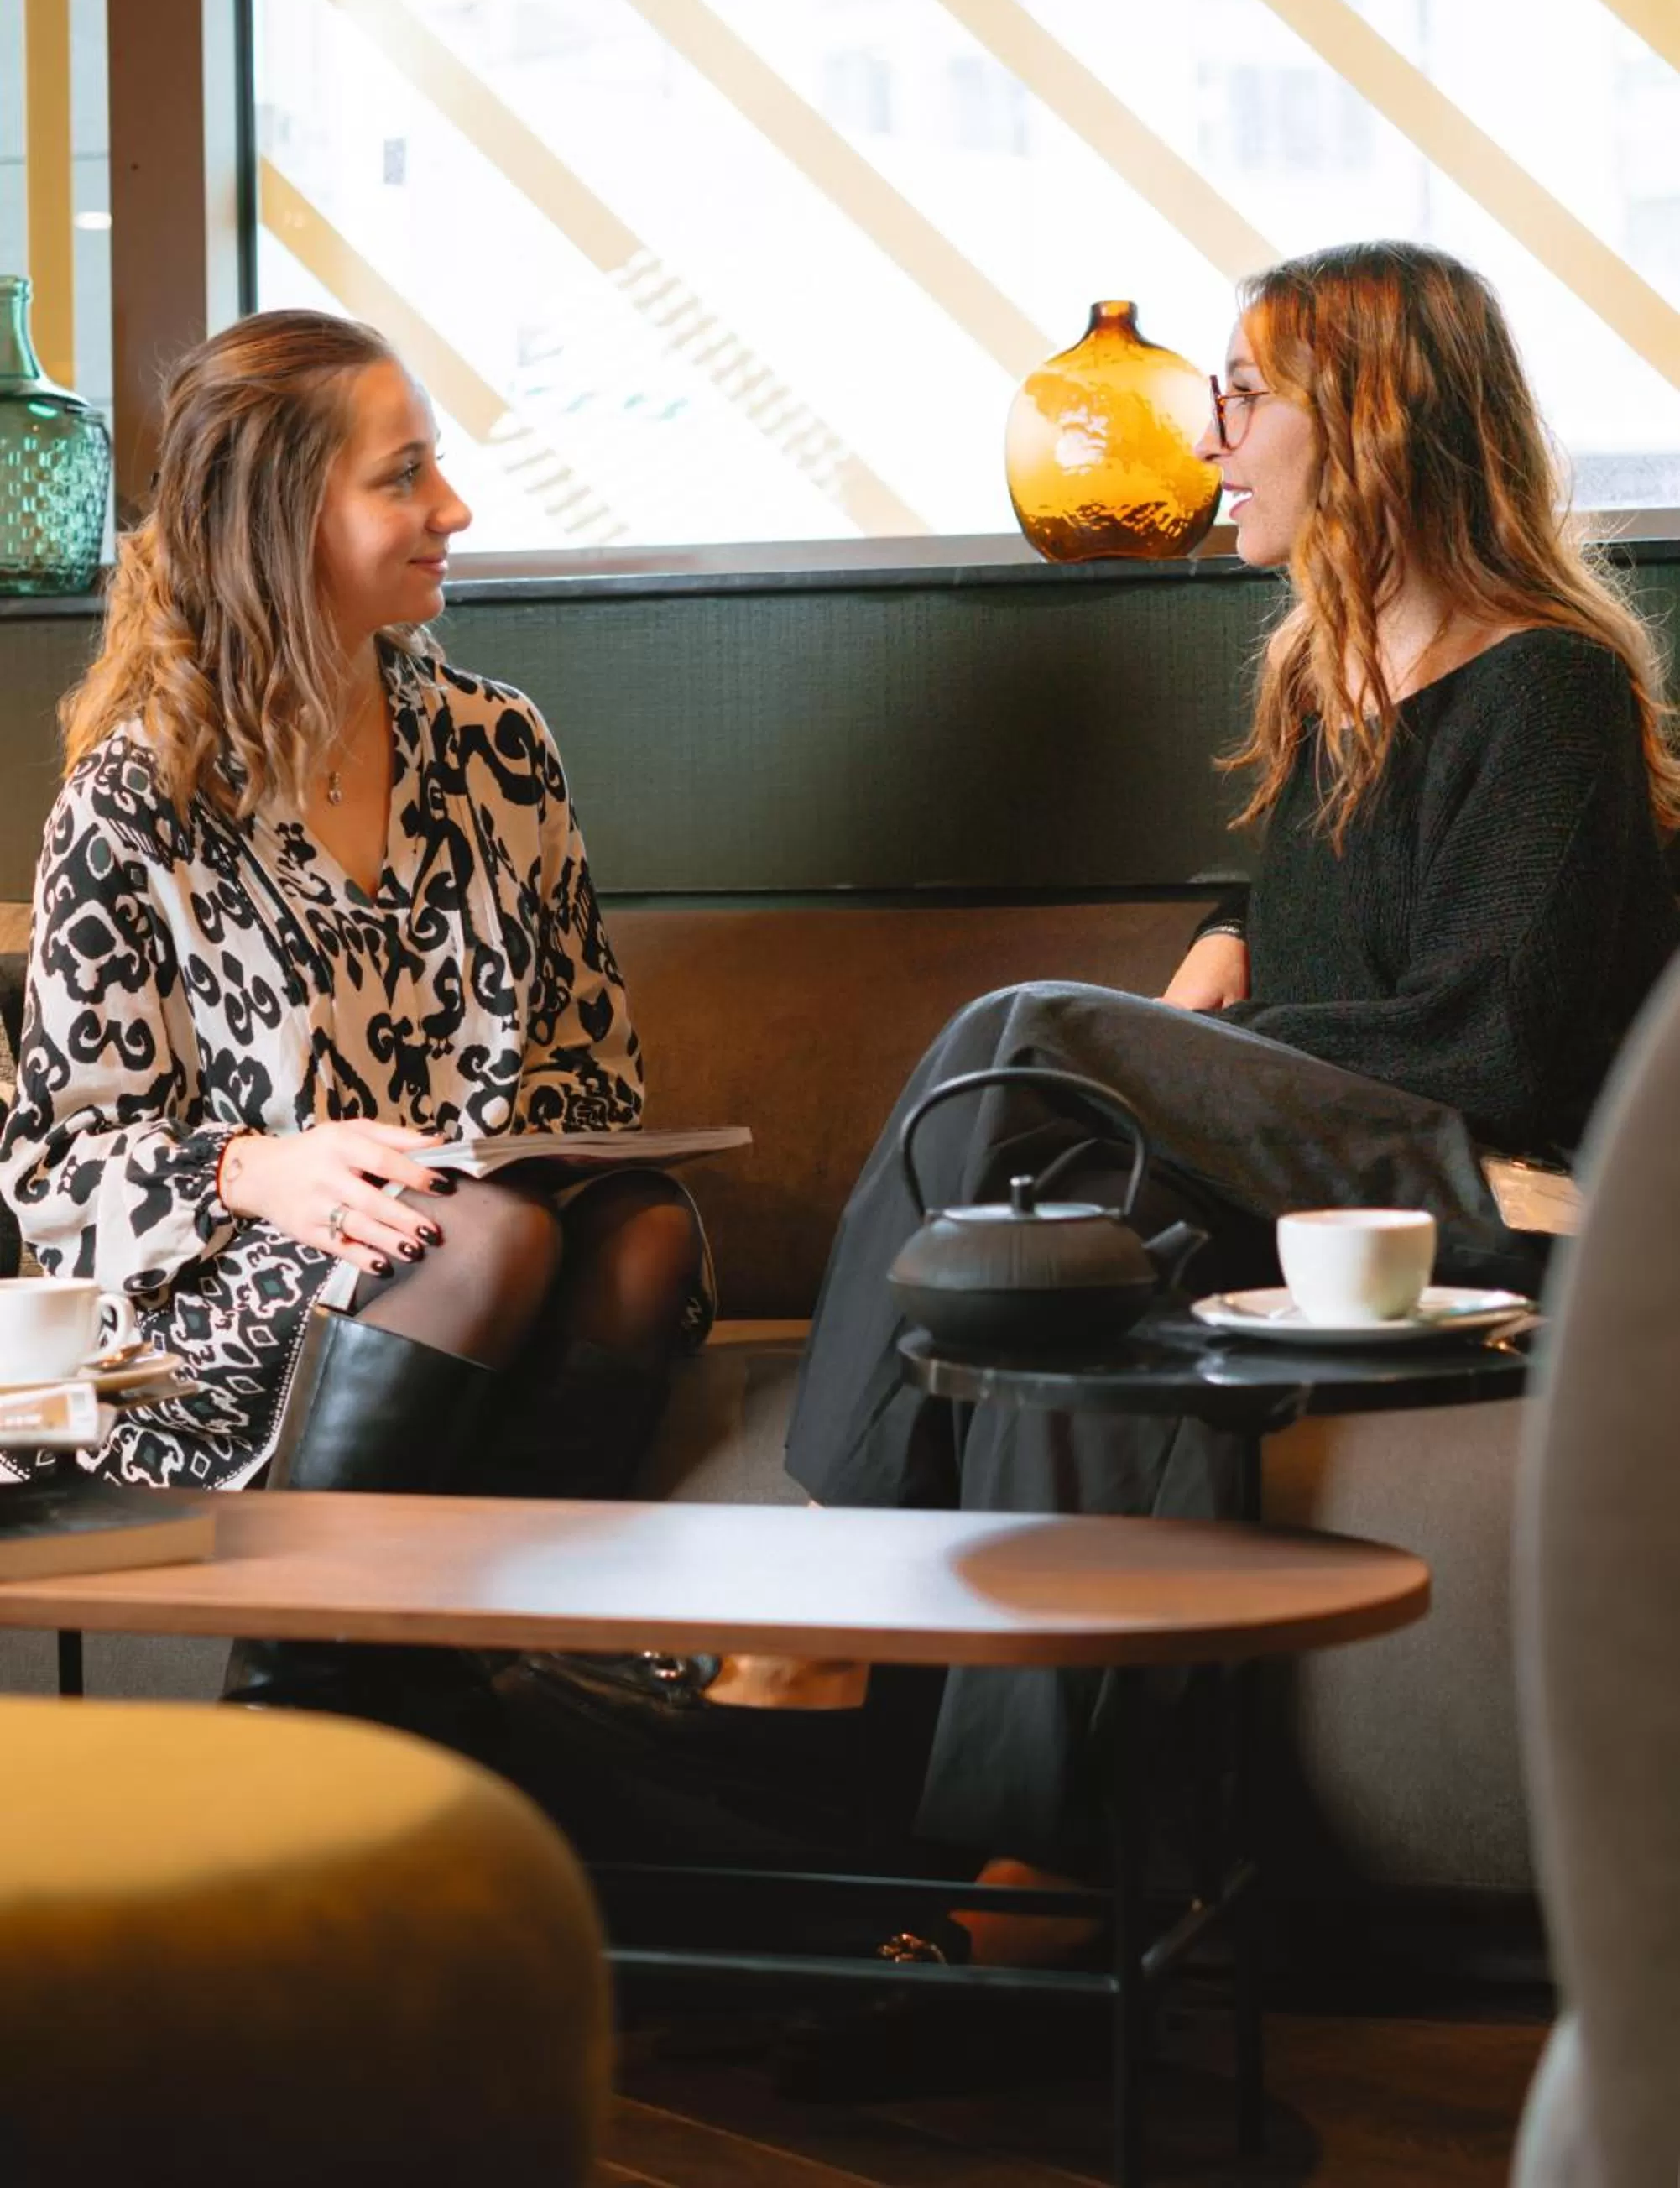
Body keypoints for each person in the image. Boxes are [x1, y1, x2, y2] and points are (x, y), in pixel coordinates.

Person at [745, 240, 1680, 1958]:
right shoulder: (1325, 689)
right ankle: (1047, 1879)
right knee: (1068, 1269)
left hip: (1484, 1199)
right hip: (1323, 1191)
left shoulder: (1547, 683)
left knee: (1030, 1030)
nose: (1208, 442)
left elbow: (1490, 1042)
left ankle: (817, 1582)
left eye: (1242, 399)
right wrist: (1220, 943)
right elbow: (1338, 921)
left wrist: (1174, 1057)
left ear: (1372, 422)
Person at [0, 307, 712, 1734]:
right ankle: (297, 1702)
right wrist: (263, 1168)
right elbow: (54, 1170)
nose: (454, 508)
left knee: (643, 1231)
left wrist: (497, 1154)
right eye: (404, 476)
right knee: (477, 1237)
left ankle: (500, 1675)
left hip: (475, 1234)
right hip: (218, 1296)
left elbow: (589, 1063)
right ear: (282, 518)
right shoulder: (138, 799)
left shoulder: (498, 747)